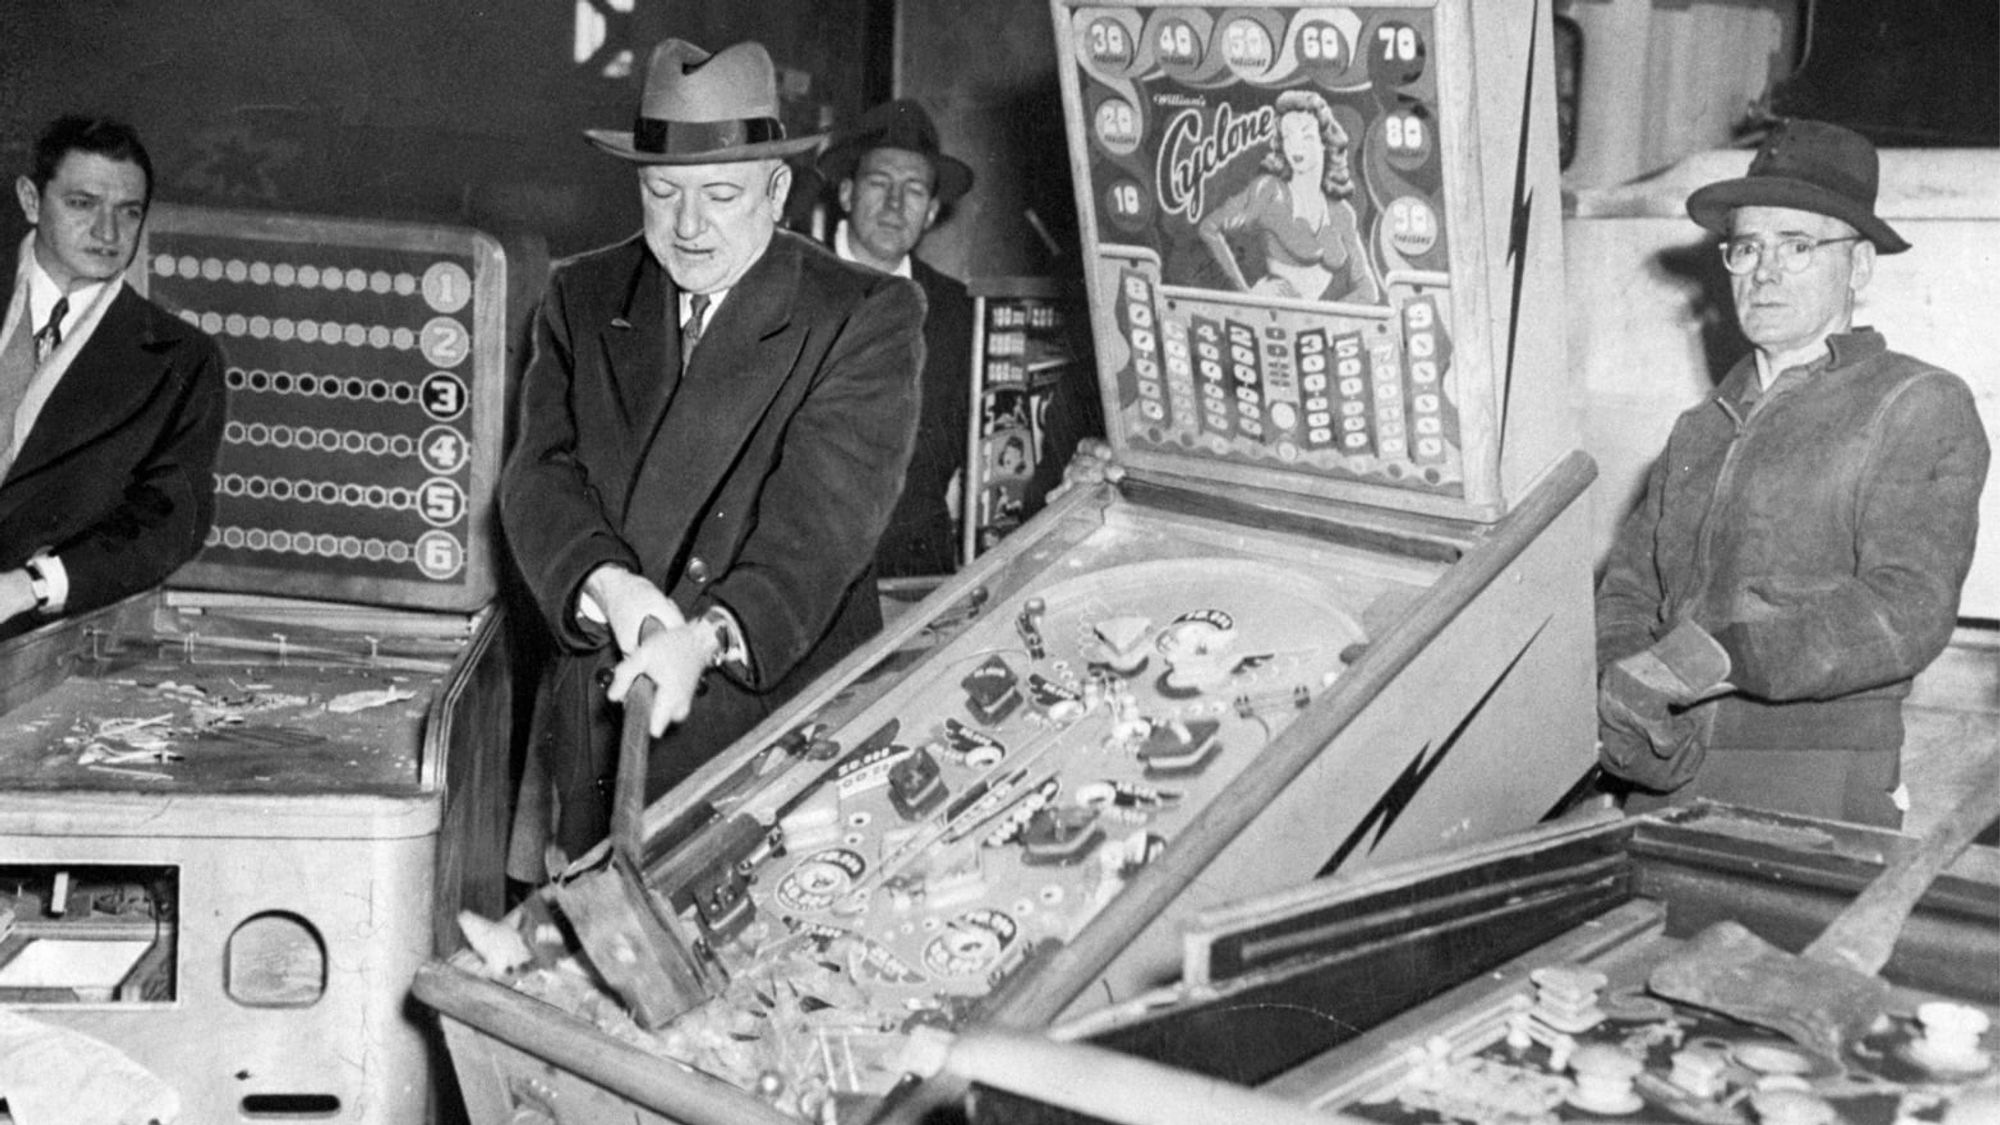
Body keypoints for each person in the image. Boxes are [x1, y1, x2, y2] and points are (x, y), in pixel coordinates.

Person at [500, 38, 924, 865]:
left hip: (770, 738)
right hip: (607, 733)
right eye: (663, 193)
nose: (688, 227)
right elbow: (537, 476)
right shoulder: (580, 295)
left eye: (721, 195)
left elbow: (817, 531)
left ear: (776, 189)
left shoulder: (865, 312)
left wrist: (702, 639)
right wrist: (609, 586)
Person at [1594, 119, 1989, 828]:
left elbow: (1907, 606)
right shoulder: (1700, 428)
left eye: (1798, 246)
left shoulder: (1916, 403)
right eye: (1747, 247)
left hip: (1814, 779)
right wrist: (1624, 694)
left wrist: (1712, 659)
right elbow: (1628, 590)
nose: (1765, 270)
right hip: (1666, 771)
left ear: (1859, 266)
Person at [0, 115, 225, 643]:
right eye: (82, 204)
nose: (108, 233)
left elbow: (170, 518)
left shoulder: (181, 359)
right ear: (32, 200)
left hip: (34, 638)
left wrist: (29, 586)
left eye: (128, 212)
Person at [817, 99, 977, 578]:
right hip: (799, 575)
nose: (894, 204)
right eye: (879, 183)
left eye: (913, 191)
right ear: (846, 193)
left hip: (915, 577)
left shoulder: (961, 313)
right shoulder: (785, 287)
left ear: (930, 212)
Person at [1199, 89, 1381, 304]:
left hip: (1310, 328)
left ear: (1323, 141)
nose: (1296, 145)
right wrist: (1246, 293)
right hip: (1265, 317)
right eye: (1288, 135)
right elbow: (1209, 228)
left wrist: (1321, 314)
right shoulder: (1269, 191)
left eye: (1306, 135)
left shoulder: (1341, 213)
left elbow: (1368, 290)